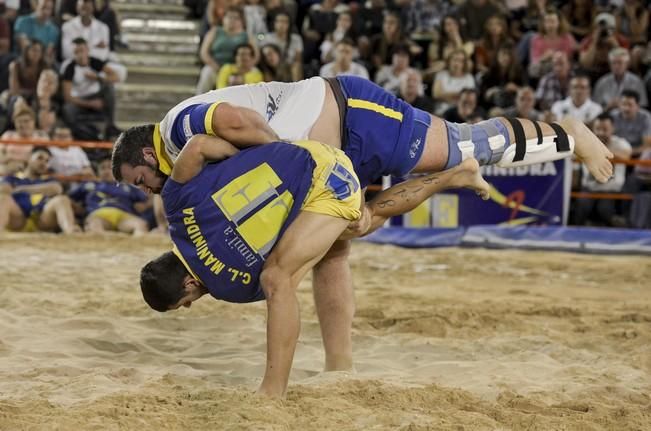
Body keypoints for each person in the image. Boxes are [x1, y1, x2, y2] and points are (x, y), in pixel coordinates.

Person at [111, 75, 615, 385]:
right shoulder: (183, 161)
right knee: (338, 247)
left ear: (145, 155)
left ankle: (571, 135)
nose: (148, 190)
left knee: (464, 144)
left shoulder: (177, 129)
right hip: (323, 157)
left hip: (347, 114)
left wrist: (286, 159)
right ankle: (340, 370)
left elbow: (239, 120)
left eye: (141, 180)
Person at [139, 136, 489, 397]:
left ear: (186, 285)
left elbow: (287, 280)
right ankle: (458, 174)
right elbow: (199, 144)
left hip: (328, 184)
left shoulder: (228, 287)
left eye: (183, 304)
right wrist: (255, 158)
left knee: (288, 269)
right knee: (353, 226)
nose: (190, 306)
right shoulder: (174, 204)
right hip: (308, 151)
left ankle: (273, 390)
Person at [0, 146, 80, 233]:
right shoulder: (13, 177)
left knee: (62, 199)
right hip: (18, 219)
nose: (43, 163)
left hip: (42, 219)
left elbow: (56, 189)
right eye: (40, 158)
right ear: (29, 158)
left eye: (47, 161)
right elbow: (4, 190)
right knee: (3, 199)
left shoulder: (48, 179)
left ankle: (70, 230)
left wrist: (21, 189)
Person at [572, 113, 632, 227]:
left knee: (604, 208)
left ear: (613, 129)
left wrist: (601, 152)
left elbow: (627, 155)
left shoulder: (621, 143)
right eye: (597, 129)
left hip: (611, 189)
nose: (600, 133)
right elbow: (572, 155)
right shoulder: (585, 143)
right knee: (582, 205)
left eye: (605, 129)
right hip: (589, 187)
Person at [69, 157, 149, 235]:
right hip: (98, 215)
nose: (106, 171)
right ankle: (118, 239)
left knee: (140, 225)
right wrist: (78, 208)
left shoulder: (127, 186)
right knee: (94, 225)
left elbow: (149, 198)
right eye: (103, 168)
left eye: (110, 168)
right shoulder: (89, 184)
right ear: (98, 172)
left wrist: (145, 206)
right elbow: (68, 199)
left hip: (124, 215)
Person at [61, 37, 120, 140]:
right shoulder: (70, 68)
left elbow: (116, 77)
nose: (80, 55)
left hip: (96, 94)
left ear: (87, 50)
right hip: (79, 99)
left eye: (82, 51)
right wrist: (90, 103)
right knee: (67, 109)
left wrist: (97, 77)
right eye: (76, 52)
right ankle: (75, 133)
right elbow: (67, 97)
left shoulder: (95, 62)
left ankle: (111, 125)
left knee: (110, 88)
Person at [611, 89, 651, 156]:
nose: (626, 108)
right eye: (623, 104)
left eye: (630, 105)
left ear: (638, 106)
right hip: (616, 153)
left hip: (638, 154)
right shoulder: (612, 115)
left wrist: (627, 152)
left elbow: (647, 146)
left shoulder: (646, 117)